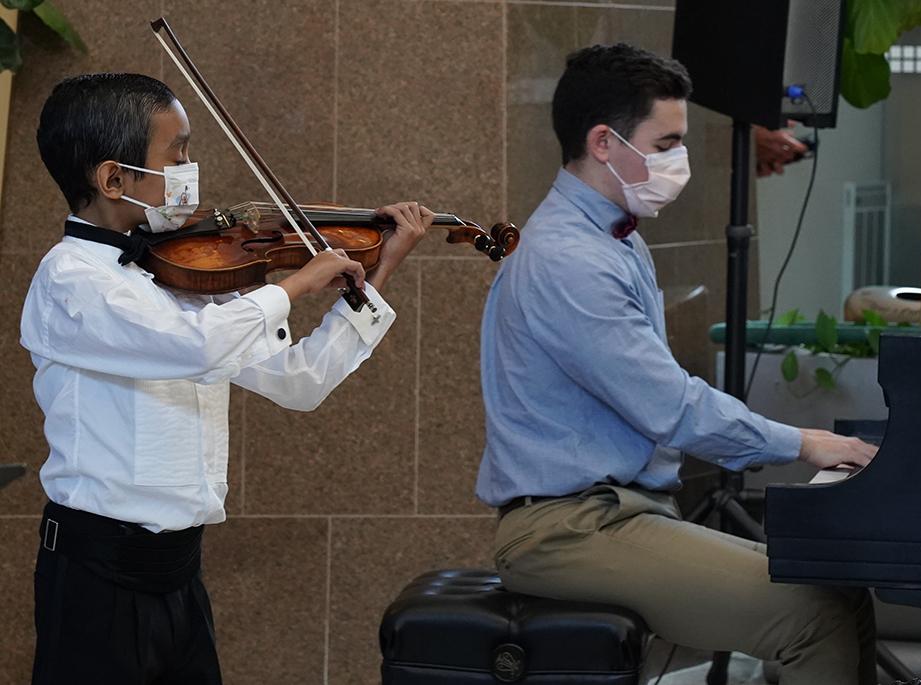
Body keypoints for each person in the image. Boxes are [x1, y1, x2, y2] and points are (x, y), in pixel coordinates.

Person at [476, 44, 878, 685]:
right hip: (568, 531)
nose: (677, 161)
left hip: (615, 512)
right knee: (815, 613)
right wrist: (806, 442)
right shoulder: (569, 260)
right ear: (604, 143)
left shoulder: (613, 237)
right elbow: (671, 405)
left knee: (840, 593)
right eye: (665, 143)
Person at [23, 72, 432, 684]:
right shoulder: (71, 281)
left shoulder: (175, 275)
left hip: (179, 573)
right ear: (113, 179)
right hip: (97, 573)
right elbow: (196, 348)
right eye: (178, 152)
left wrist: (378, 273)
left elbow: (299, 381)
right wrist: (292, 284)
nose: (192, 167)